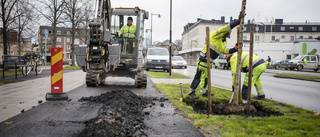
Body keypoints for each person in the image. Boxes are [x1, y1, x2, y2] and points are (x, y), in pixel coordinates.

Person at [188, 12, 245, 99]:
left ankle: (203, 91)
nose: (227, 36)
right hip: (203, 60)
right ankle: (192, 91)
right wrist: (237, 21)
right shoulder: (214, 34)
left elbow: (225, 50)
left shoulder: (222, 42)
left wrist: (235, 48)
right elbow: (226, 28)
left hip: (209, 62)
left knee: (206, 78)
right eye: (226, 34)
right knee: (198, 77)